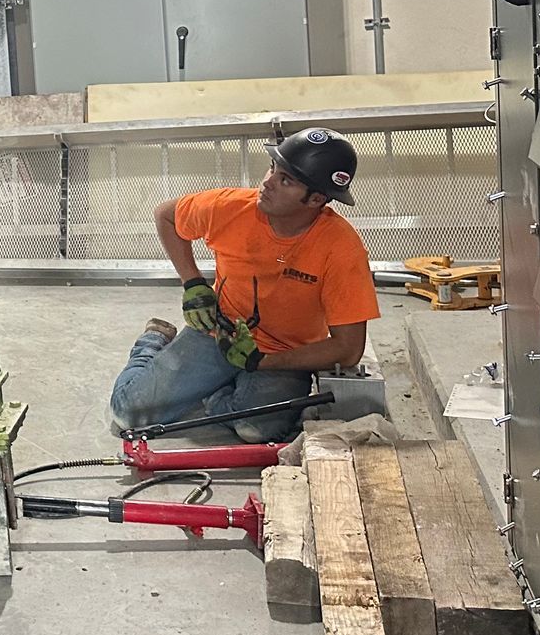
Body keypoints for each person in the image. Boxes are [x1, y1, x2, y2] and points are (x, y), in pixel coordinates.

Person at [109, 127, 380, 443]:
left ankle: (219, 388)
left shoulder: (341, 249)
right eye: (272, 169)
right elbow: (165, 216)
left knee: (257, 430)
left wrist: (263, 362)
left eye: (286, 180)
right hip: (219, 332)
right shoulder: (231, 207)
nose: (267, 183)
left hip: (284, 351)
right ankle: (154, 340)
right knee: (129, 414)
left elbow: (347, 349)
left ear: (316, 198)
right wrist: (193, 283)